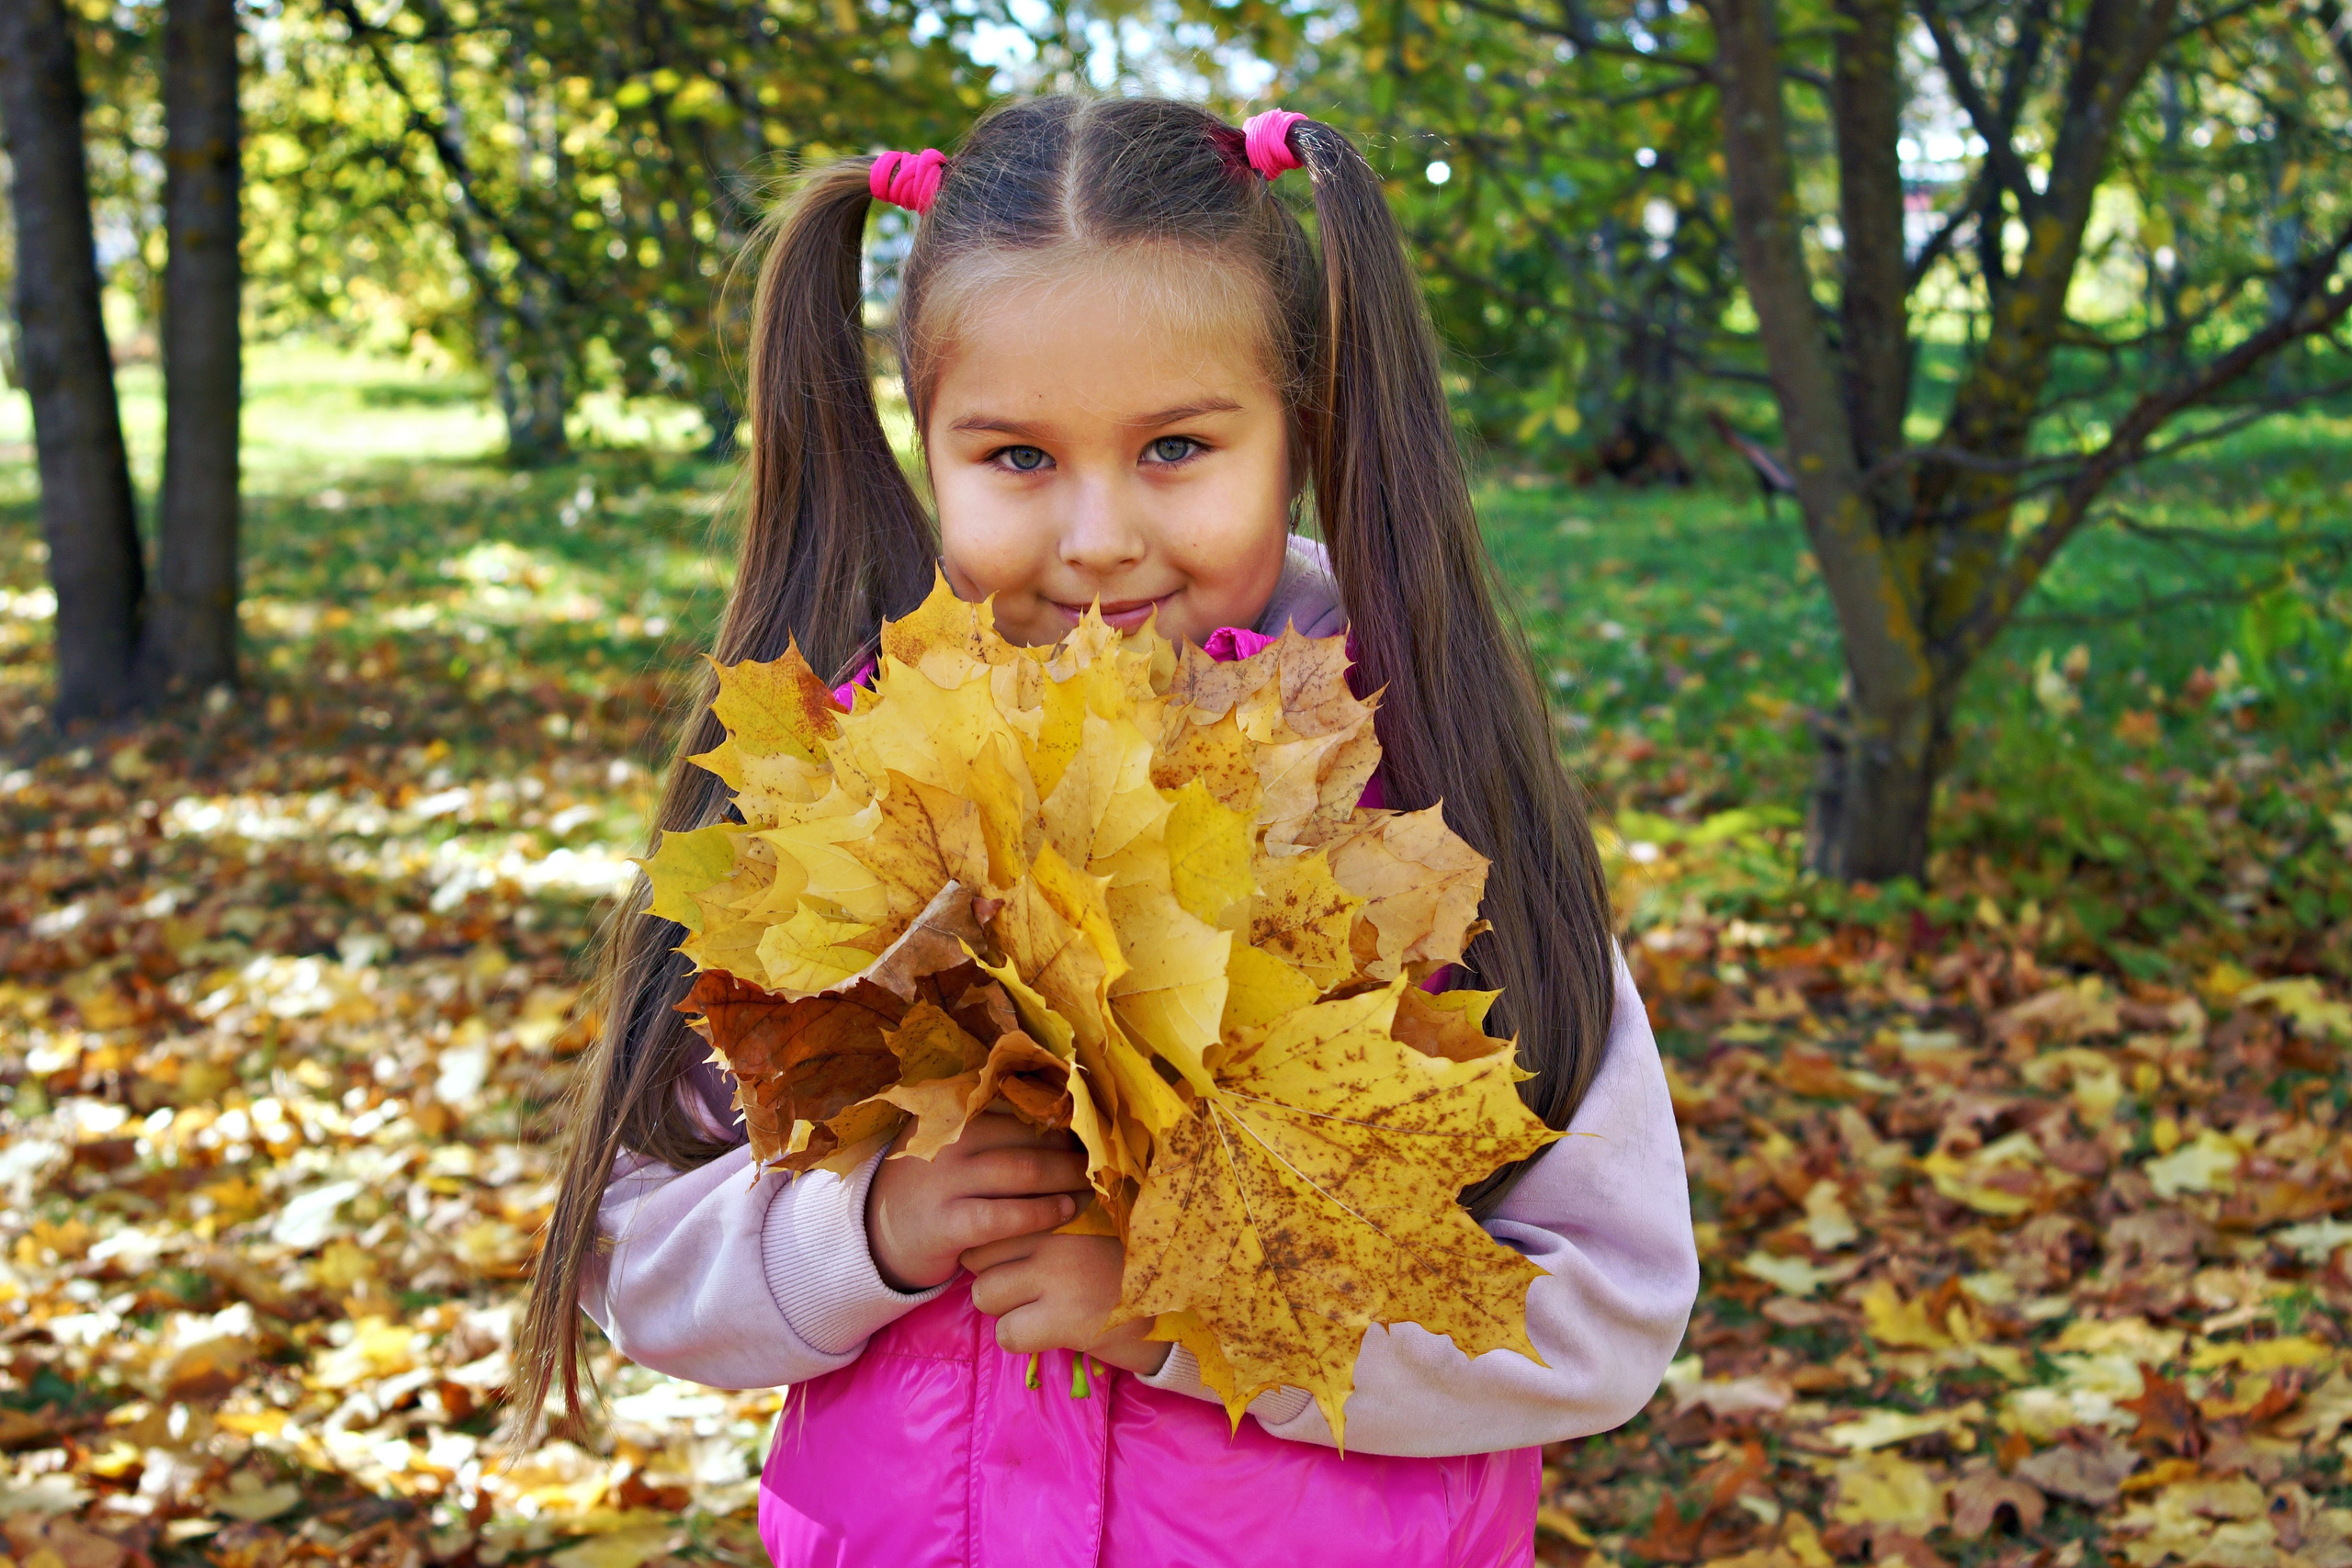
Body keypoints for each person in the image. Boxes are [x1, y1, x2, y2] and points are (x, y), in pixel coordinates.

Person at [510, 96, 1699, 1568]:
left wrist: (1199, 1313)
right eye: (1016, 457)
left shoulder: (1422, 798)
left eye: (1178, 447)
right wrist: (862, 1235)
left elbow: (1603, 1313)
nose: (1097, 537)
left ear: (1298, 431)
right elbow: (635, 1253)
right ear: (925, 446)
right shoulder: (840, 797)